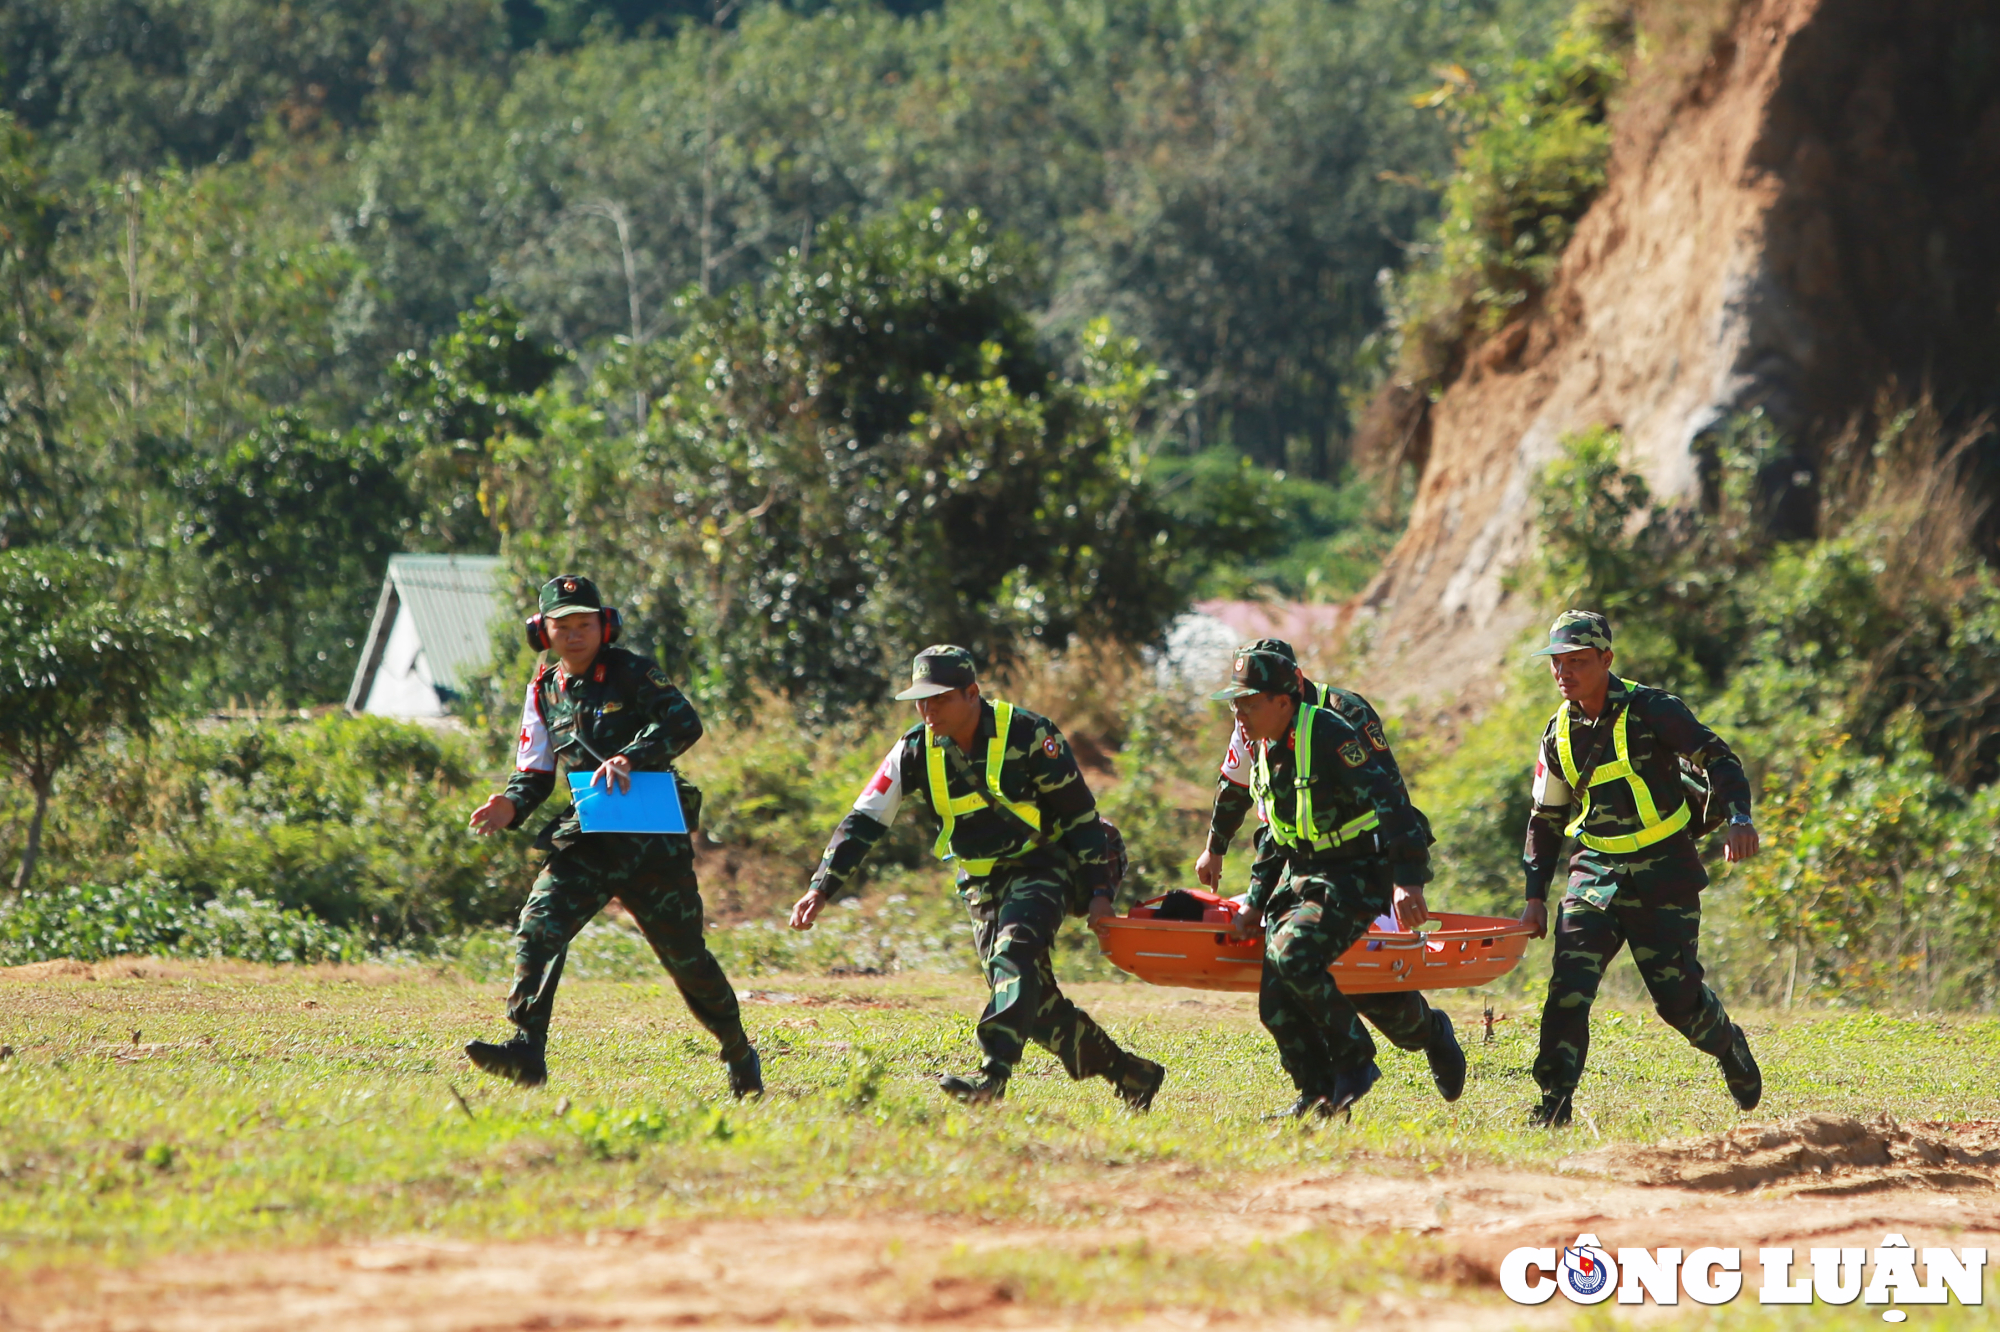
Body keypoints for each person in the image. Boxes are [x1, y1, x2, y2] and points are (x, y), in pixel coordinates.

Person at [789, 645, 1165, 1109]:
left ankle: (992, 1078)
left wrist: (1101, 895)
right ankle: (1132, 1074)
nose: (928, 710)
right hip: (981, 883)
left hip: (1044, 866)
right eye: (921, 701)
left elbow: (1081, 817)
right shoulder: (912, 750)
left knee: (1014, 956)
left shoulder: (1029, 734)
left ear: (972, 693)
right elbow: (864, 820)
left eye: (940, 698)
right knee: (1032, 1003)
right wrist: (820, 887)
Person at [466, 574, 760, 1097]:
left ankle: (738, 1050)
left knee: (687, 960)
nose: (575, 634)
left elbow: (684, 724)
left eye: (586, 623)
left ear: (606, 627)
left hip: (653, 838)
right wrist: (508, 804)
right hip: (592, 835)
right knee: (541, 923)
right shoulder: (542, 688)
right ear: (542, 632)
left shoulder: (634, 673)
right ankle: (526, 1048)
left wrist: (634, 755)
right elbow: (534, 771)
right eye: (563, 625)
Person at [1519, 610, 1762, 1128]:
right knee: (1568, 988)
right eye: (1558, 663)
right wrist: (1534, 895)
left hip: (1664, 873)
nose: (1565, 673)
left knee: (1678, 1003)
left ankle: (1728, 1045)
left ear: (1606, 659)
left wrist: (1739, 818)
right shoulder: (1557, 732)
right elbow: (1546, 817)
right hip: (1594, 872)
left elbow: (1720, 760)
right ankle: (1554, 1104)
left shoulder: (1655, 710)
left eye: (1578, 662)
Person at [1197, 638, 1464, 1105]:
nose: (1238, 715)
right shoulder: (1260, 738)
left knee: (1351, 976)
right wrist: (1252, 897)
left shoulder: (1336, 723)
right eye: (1235, 703)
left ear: (1287, 694)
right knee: (1277, 995)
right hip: (1302, 870)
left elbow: (1391, 799)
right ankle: (1318, 1097)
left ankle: (1390, 1047)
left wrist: (1407, 880)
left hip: (1362, 868)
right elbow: (1273, 829)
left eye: (1247, 702)